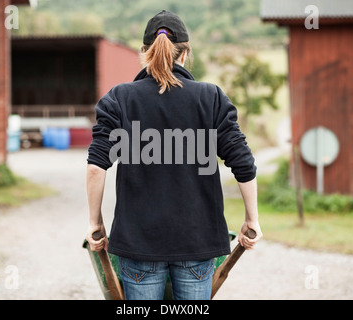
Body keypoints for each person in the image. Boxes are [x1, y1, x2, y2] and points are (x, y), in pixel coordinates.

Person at [86, 10, 262, 300]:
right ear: (185, 54)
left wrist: (95, 224)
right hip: (197, 242)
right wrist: (251, 219)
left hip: (138, 244)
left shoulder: (120, 98)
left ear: (145, 53)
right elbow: (243, 164)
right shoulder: (212, 98)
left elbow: (96, 166)